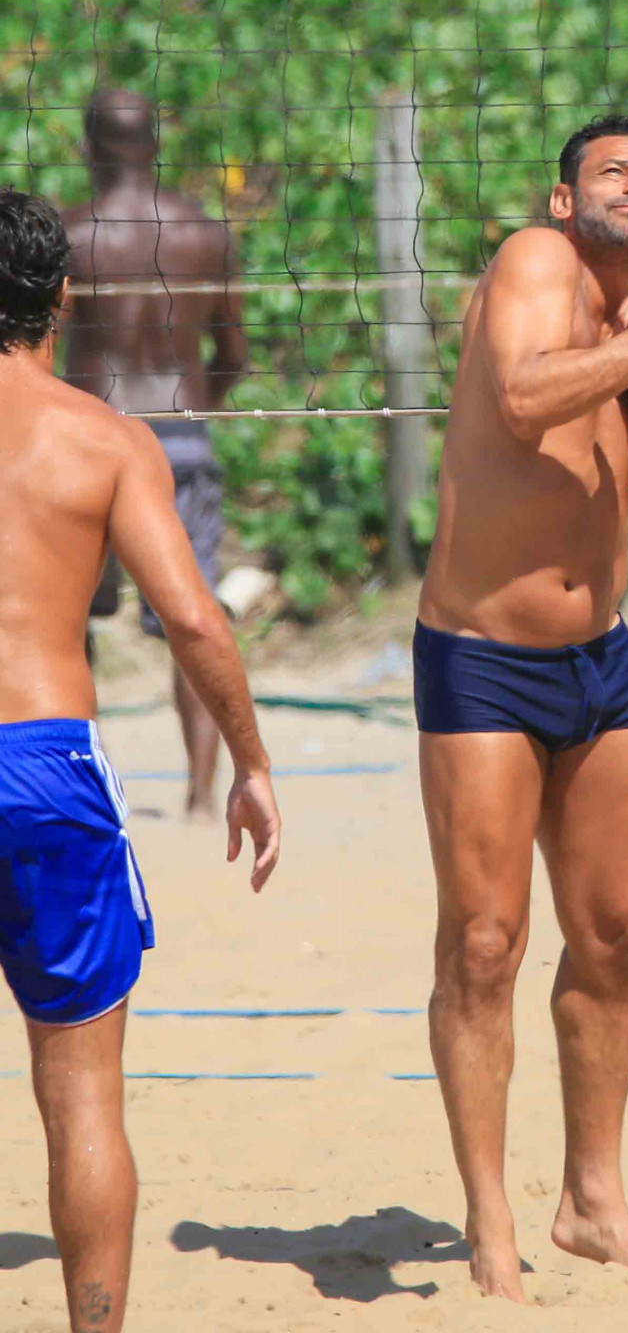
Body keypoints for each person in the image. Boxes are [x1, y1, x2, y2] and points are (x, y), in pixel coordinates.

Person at [414, 111, 628, 1301]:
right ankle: (492, 1227)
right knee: (485, 945)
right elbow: (527, 398)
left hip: (601, 659)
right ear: (564, 201)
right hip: (484, 658)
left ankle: (592, 1199)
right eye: (611, 171)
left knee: (621, 931)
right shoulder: (532, 266)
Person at [0, 185, 280, 1333]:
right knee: (81, 1099)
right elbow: (198, 622)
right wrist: (252, 763)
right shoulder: (102, 439)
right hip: (47, 759)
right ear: (63, 297)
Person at [60, 90, 248, 815]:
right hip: (179, 432)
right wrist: (193, 414)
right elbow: (233, 353)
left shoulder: (70, 236)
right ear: (155, 142)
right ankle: (201, 796)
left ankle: (85, 787)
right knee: (191, 617)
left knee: (67, 619)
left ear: (89, 145)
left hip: (84, 432)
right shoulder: (204, 232)